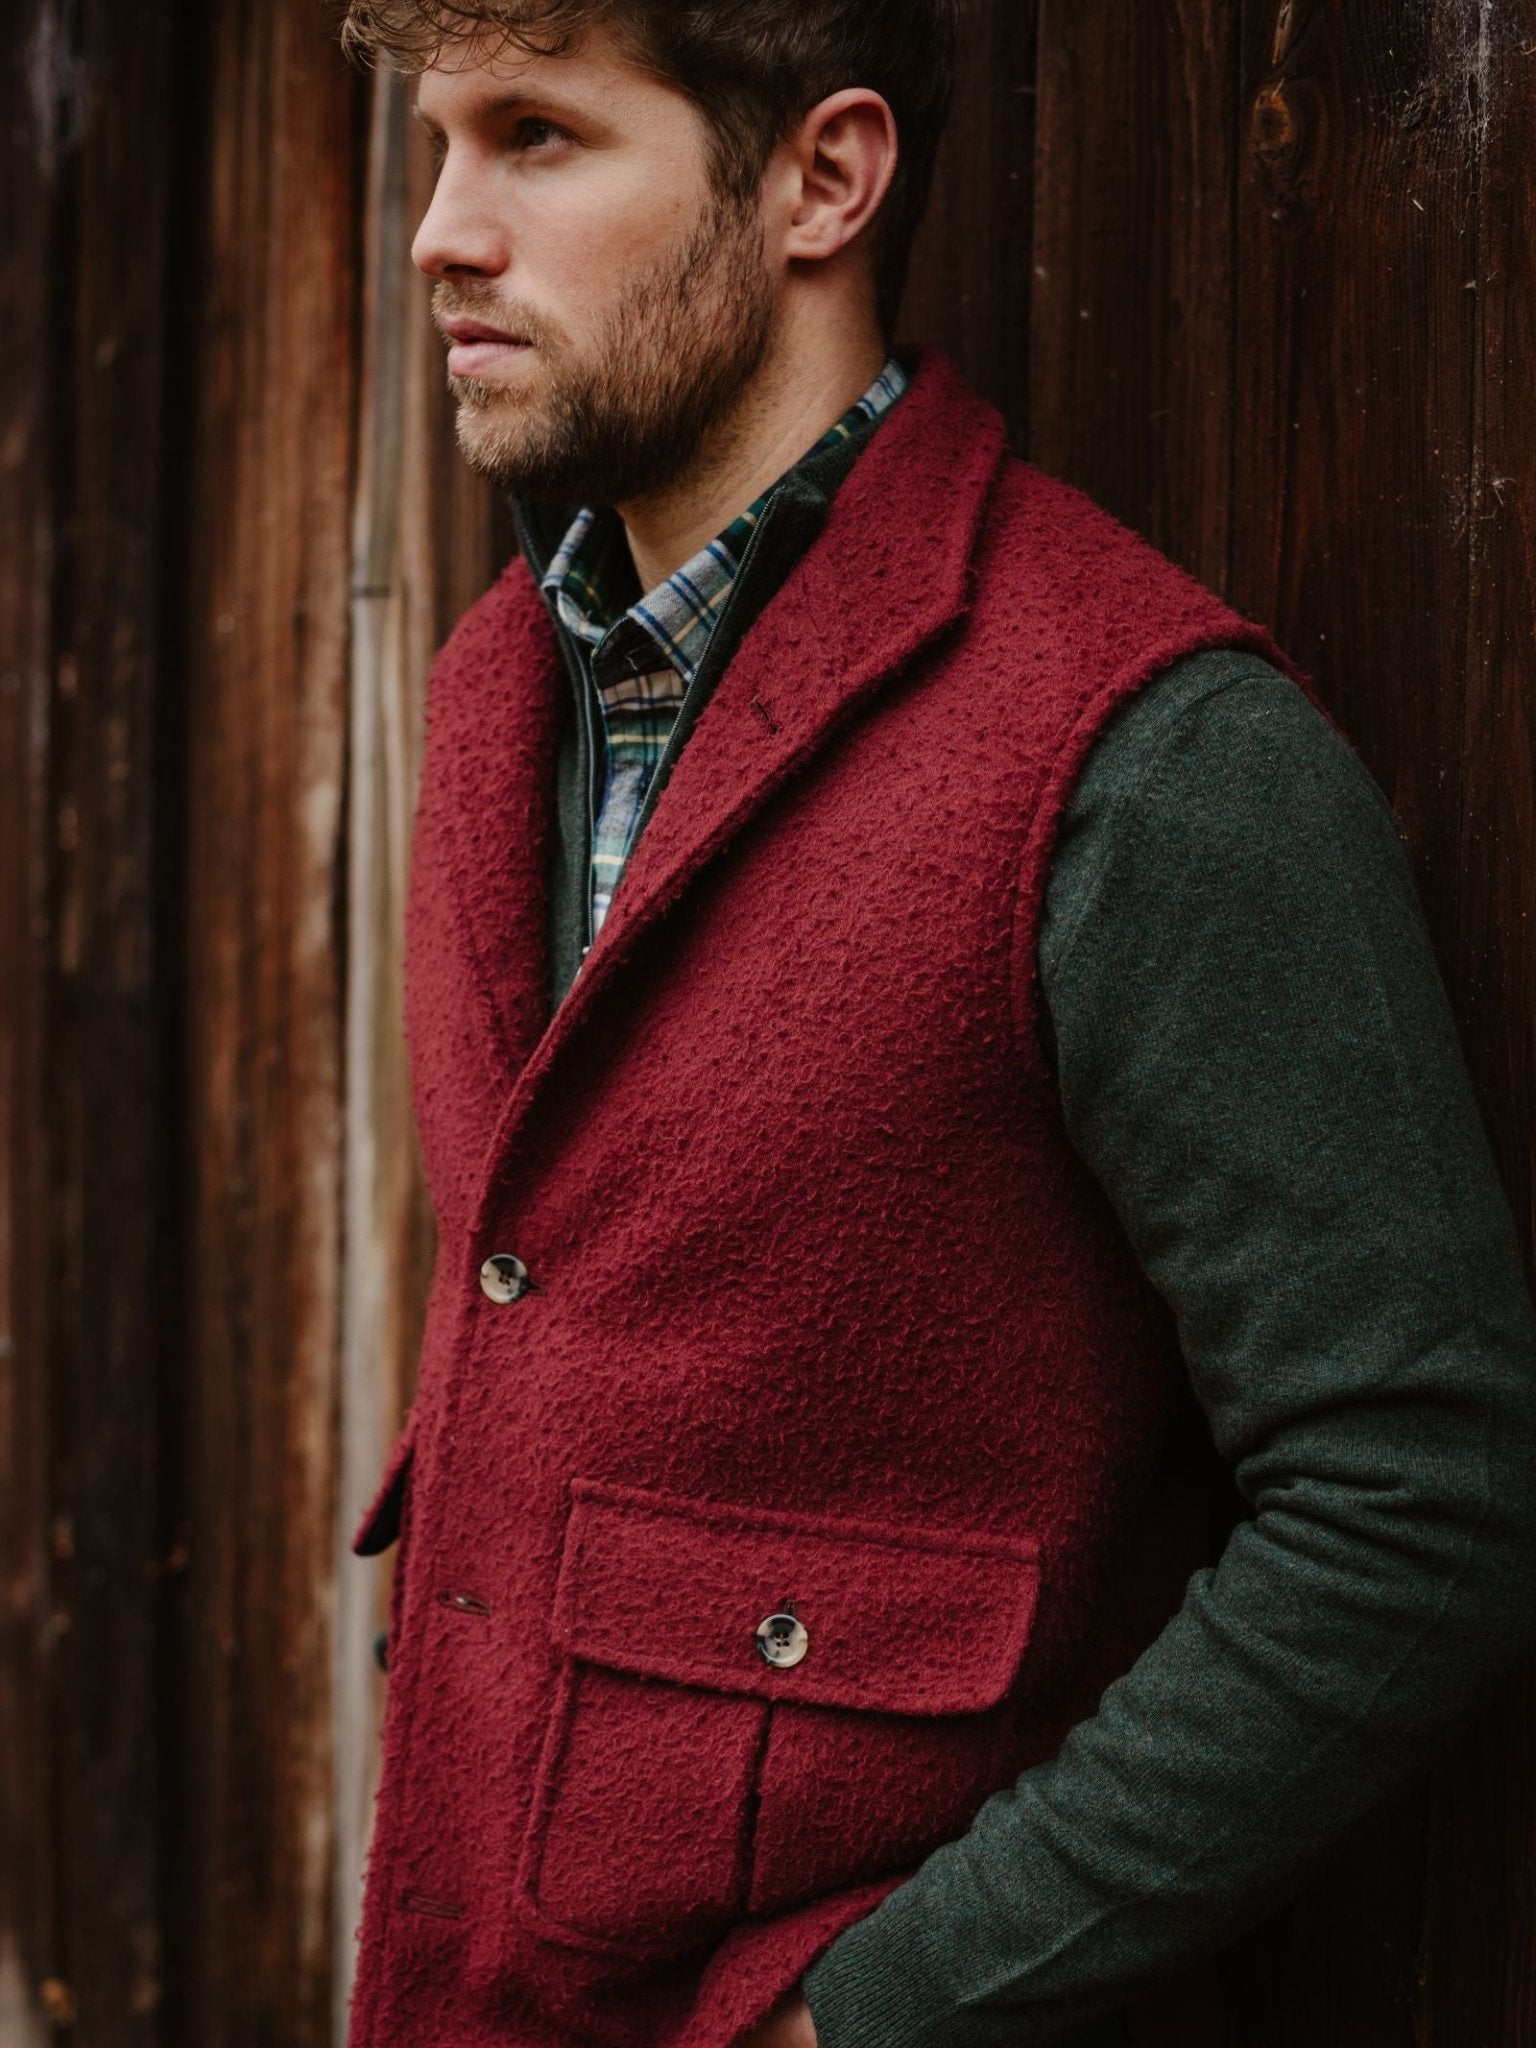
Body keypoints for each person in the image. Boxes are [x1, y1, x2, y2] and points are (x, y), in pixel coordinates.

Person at [337, 5, 1536, 2046]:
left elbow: (1424, 1495)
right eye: (435, 142)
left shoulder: (1146, 761)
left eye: (536, 136)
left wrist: (880, 2011)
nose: (443, 230)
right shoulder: (498, 691)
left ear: (823, 177)